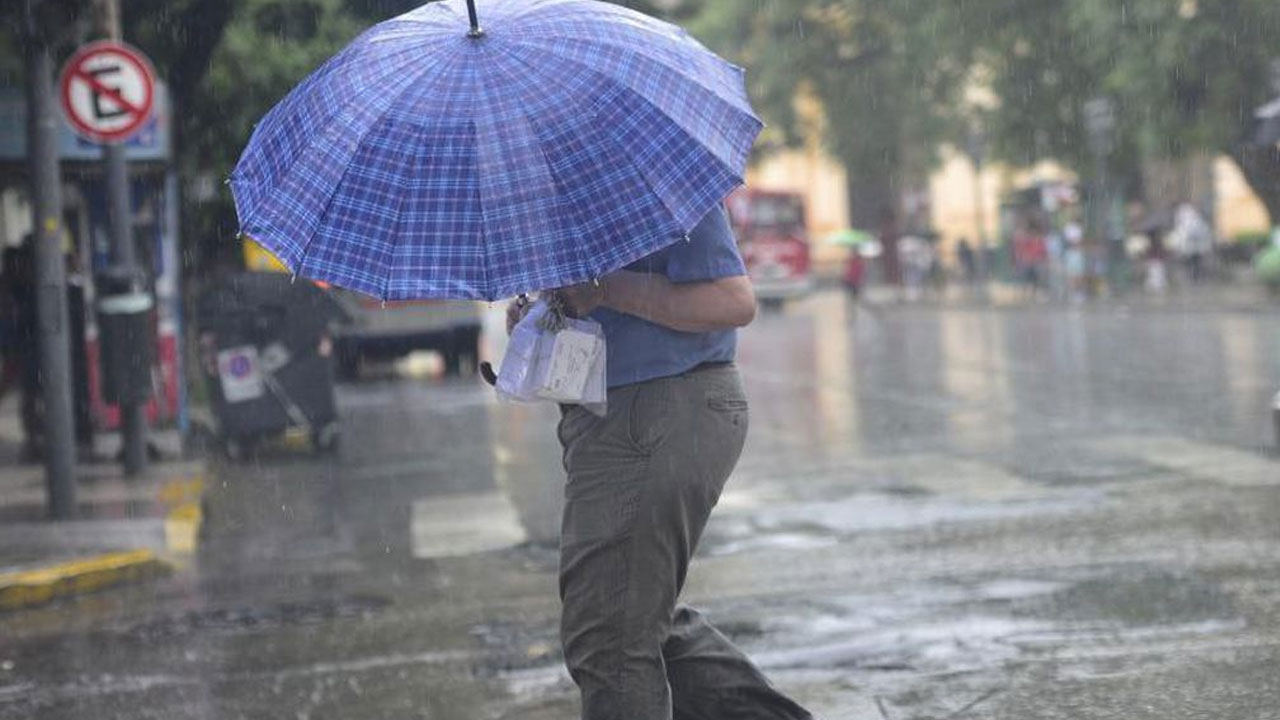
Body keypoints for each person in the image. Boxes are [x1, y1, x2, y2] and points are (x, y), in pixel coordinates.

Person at [508, 205, 813, 720]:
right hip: (612, 420)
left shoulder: (655, 182)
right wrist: (543, 315)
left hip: (661, 409)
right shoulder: (558, 193)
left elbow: (733, 300)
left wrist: (606, 290)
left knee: (609, 639)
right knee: (632, 616)